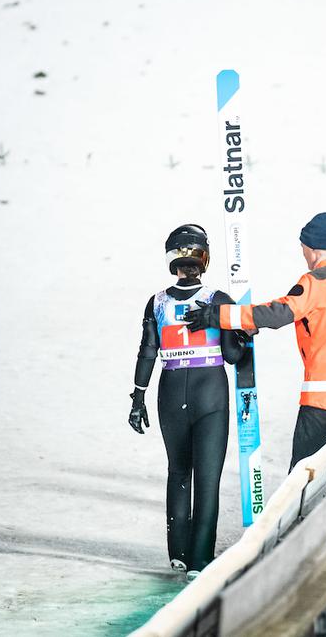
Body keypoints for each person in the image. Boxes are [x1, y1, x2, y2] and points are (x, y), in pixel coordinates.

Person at [185, 212, 326, 470]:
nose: (304, 256)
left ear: (312, 249)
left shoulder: (315, 283)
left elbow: (277, 313)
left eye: (303, 249)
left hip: (322, 404)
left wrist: (219, 315)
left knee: (303, 479)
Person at [128, 224, 247, 582]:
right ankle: (199, 559)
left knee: (179, 472)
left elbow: (148, 351)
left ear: (172, 261)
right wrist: (242, 336)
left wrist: (138, 397)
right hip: (209, 391)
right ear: (204, 258)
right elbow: (230, 355)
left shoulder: (157, 302)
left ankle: (177, 554)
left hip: (169, 389)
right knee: (207, 479)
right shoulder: (218, 299)